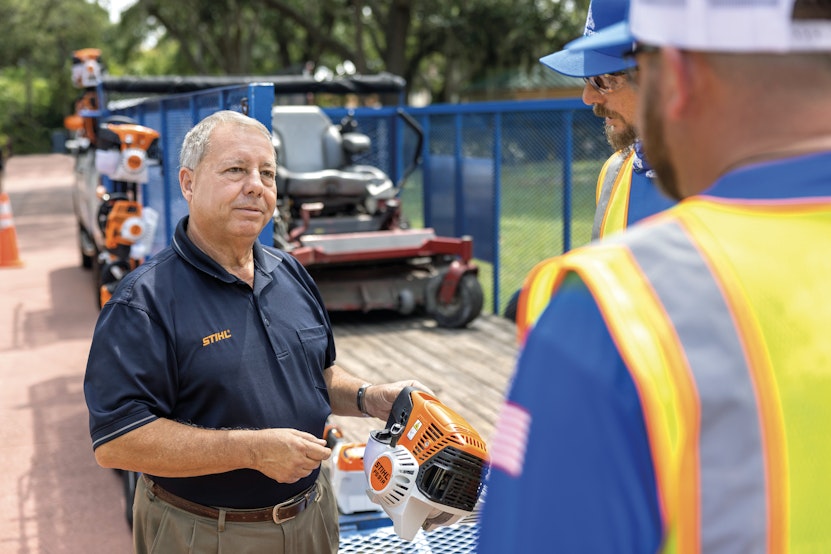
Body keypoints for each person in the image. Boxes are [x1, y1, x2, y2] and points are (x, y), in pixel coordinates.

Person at [479, 0, 831, 551]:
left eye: (606, 75)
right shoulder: (619, 186)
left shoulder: (609, 314)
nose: (589, 98)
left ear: (679, 72)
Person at [83, 110, 428, 554]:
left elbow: (315, 375)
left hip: (313, 515)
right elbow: (117, 441)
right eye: (235, 170)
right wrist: (250, 451)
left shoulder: (290, 272)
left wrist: (367, 397)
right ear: (188, 184)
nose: (256, 185)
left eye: (267, 173)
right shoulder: (143, 302)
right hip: (204, 532)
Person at [513, 0, 675, 342]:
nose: (588, 97)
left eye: (602, 80)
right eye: (588, 79)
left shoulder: (734, 184)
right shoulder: (616, 172)